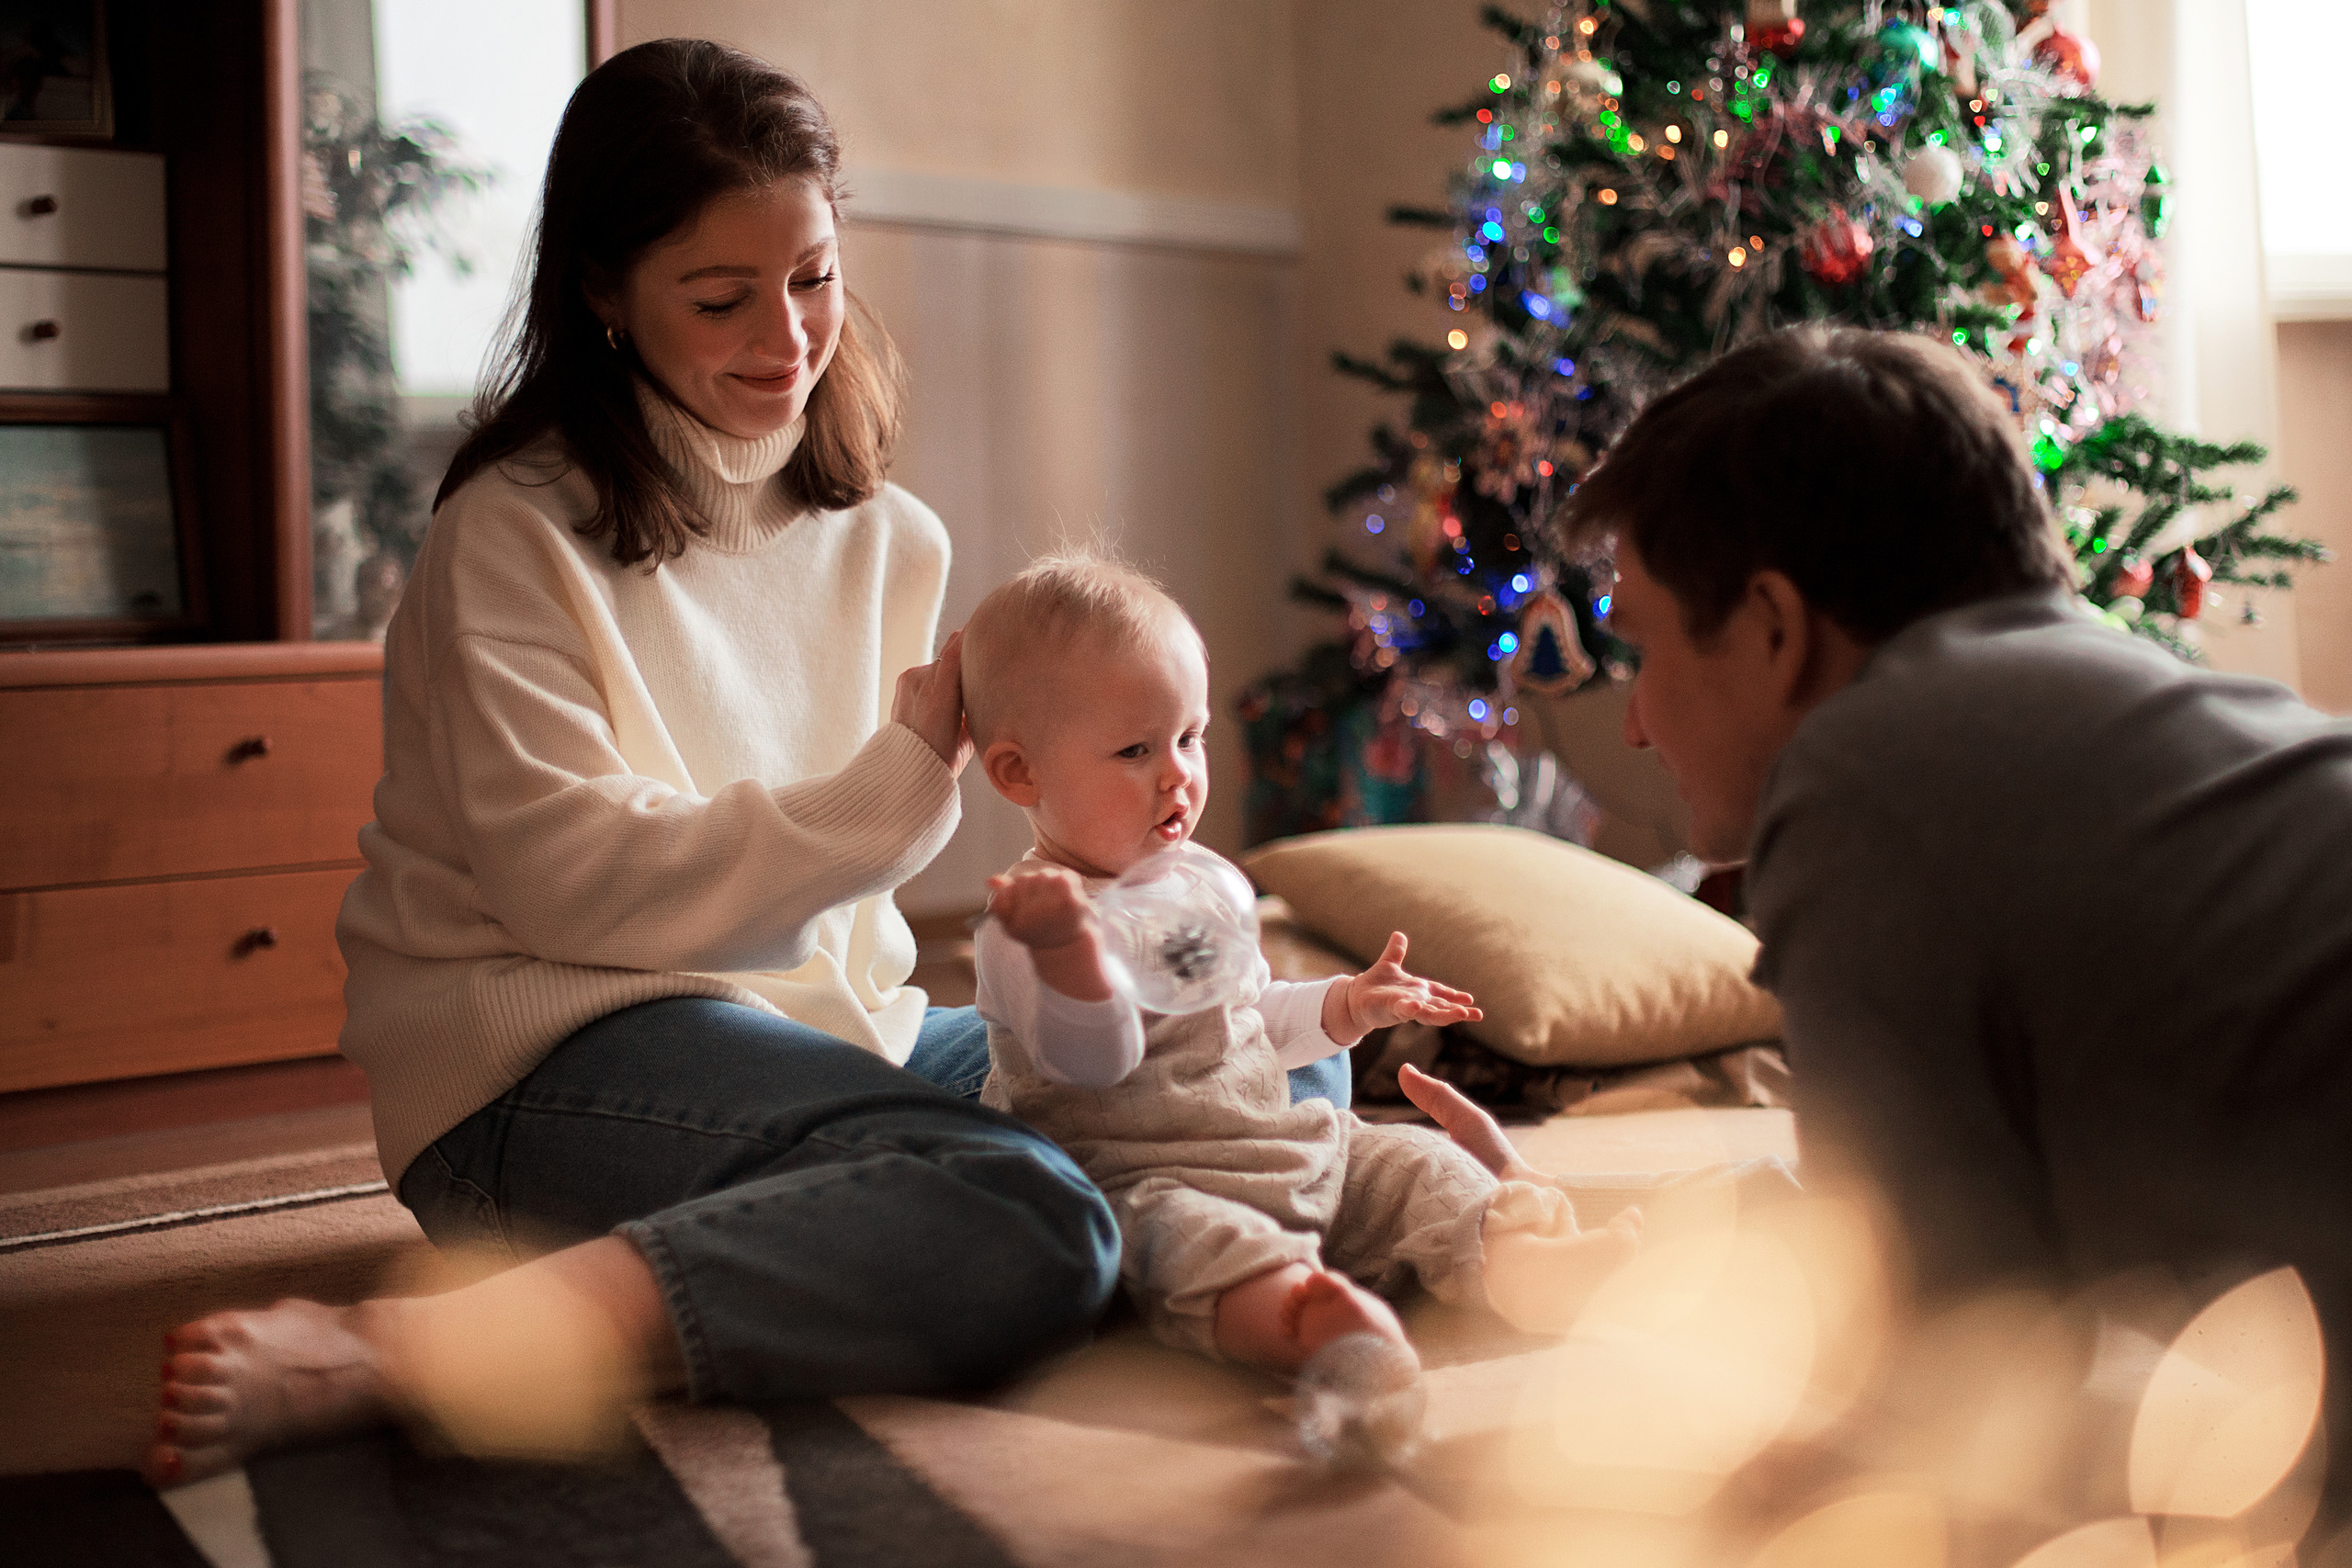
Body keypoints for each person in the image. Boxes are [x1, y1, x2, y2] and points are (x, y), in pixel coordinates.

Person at [146, 39, 1136, 1486]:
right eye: (721, 298)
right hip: (540, 1059)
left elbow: (846, 930)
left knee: (1225, 1058)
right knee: (1029, 1214)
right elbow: (571, 889)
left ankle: (1140, 1246)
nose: (788, 337)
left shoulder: (890, 535)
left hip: (820, 1024)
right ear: (605, 297)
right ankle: (421, 1347)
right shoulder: (513, 528)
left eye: (813, 277)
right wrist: (891, 791)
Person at [1557, 324, 2352, 1505]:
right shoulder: (2124, 710)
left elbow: (1958, 1371)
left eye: (1643, 647)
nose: (1632, 724)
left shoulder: (1863, 774)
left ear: (1774, 630)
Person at [959, 556, 1645, 1373]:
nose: (1178, 771)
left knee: (1413, 1164)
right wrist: (1069, 954)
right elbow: (1094, 1062)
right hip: (1146, 1183)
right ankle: (1309, 1320)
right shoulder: (1026, 924)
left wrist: (1346, 1006)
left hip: (1278, 1143)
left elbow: (1250, 1016)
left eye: (1189, 737)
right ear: (1018, 771)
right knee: (1197, 1251)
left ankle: (1527, 1263)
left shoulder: (1196, 888)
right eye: (1136, 750)